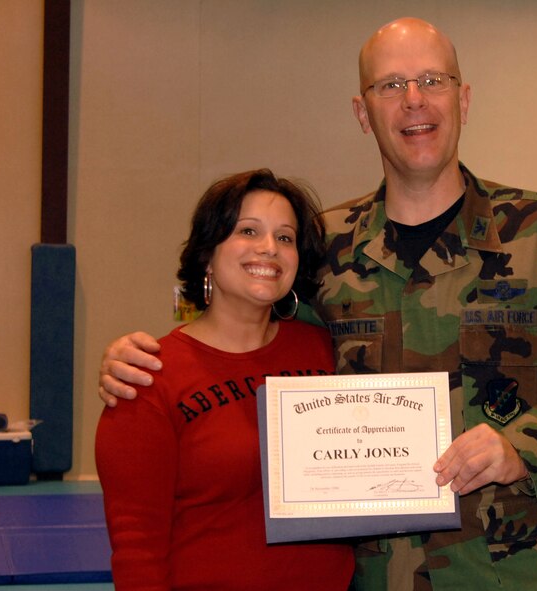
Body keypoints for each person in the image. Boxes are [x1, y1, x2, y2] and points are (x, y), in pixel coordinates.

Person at [99, 18, 537, 591]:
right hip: (374, 577)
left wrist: (525, 448)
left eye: (432, 80)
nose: (413, 100)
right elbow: (249, 347)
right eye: (390, 86)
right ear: (362, 113)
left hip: (526, 573)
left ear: (463, 98)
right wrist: (140, 360)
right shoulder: (321, 250)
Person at [95, 169, 354, 590]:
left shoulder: (325, 351)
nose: (268, 248)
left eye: (285, 238)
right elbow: (137, 548)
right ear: (207, 255)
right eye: (247, 230)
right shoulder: (147, 378)